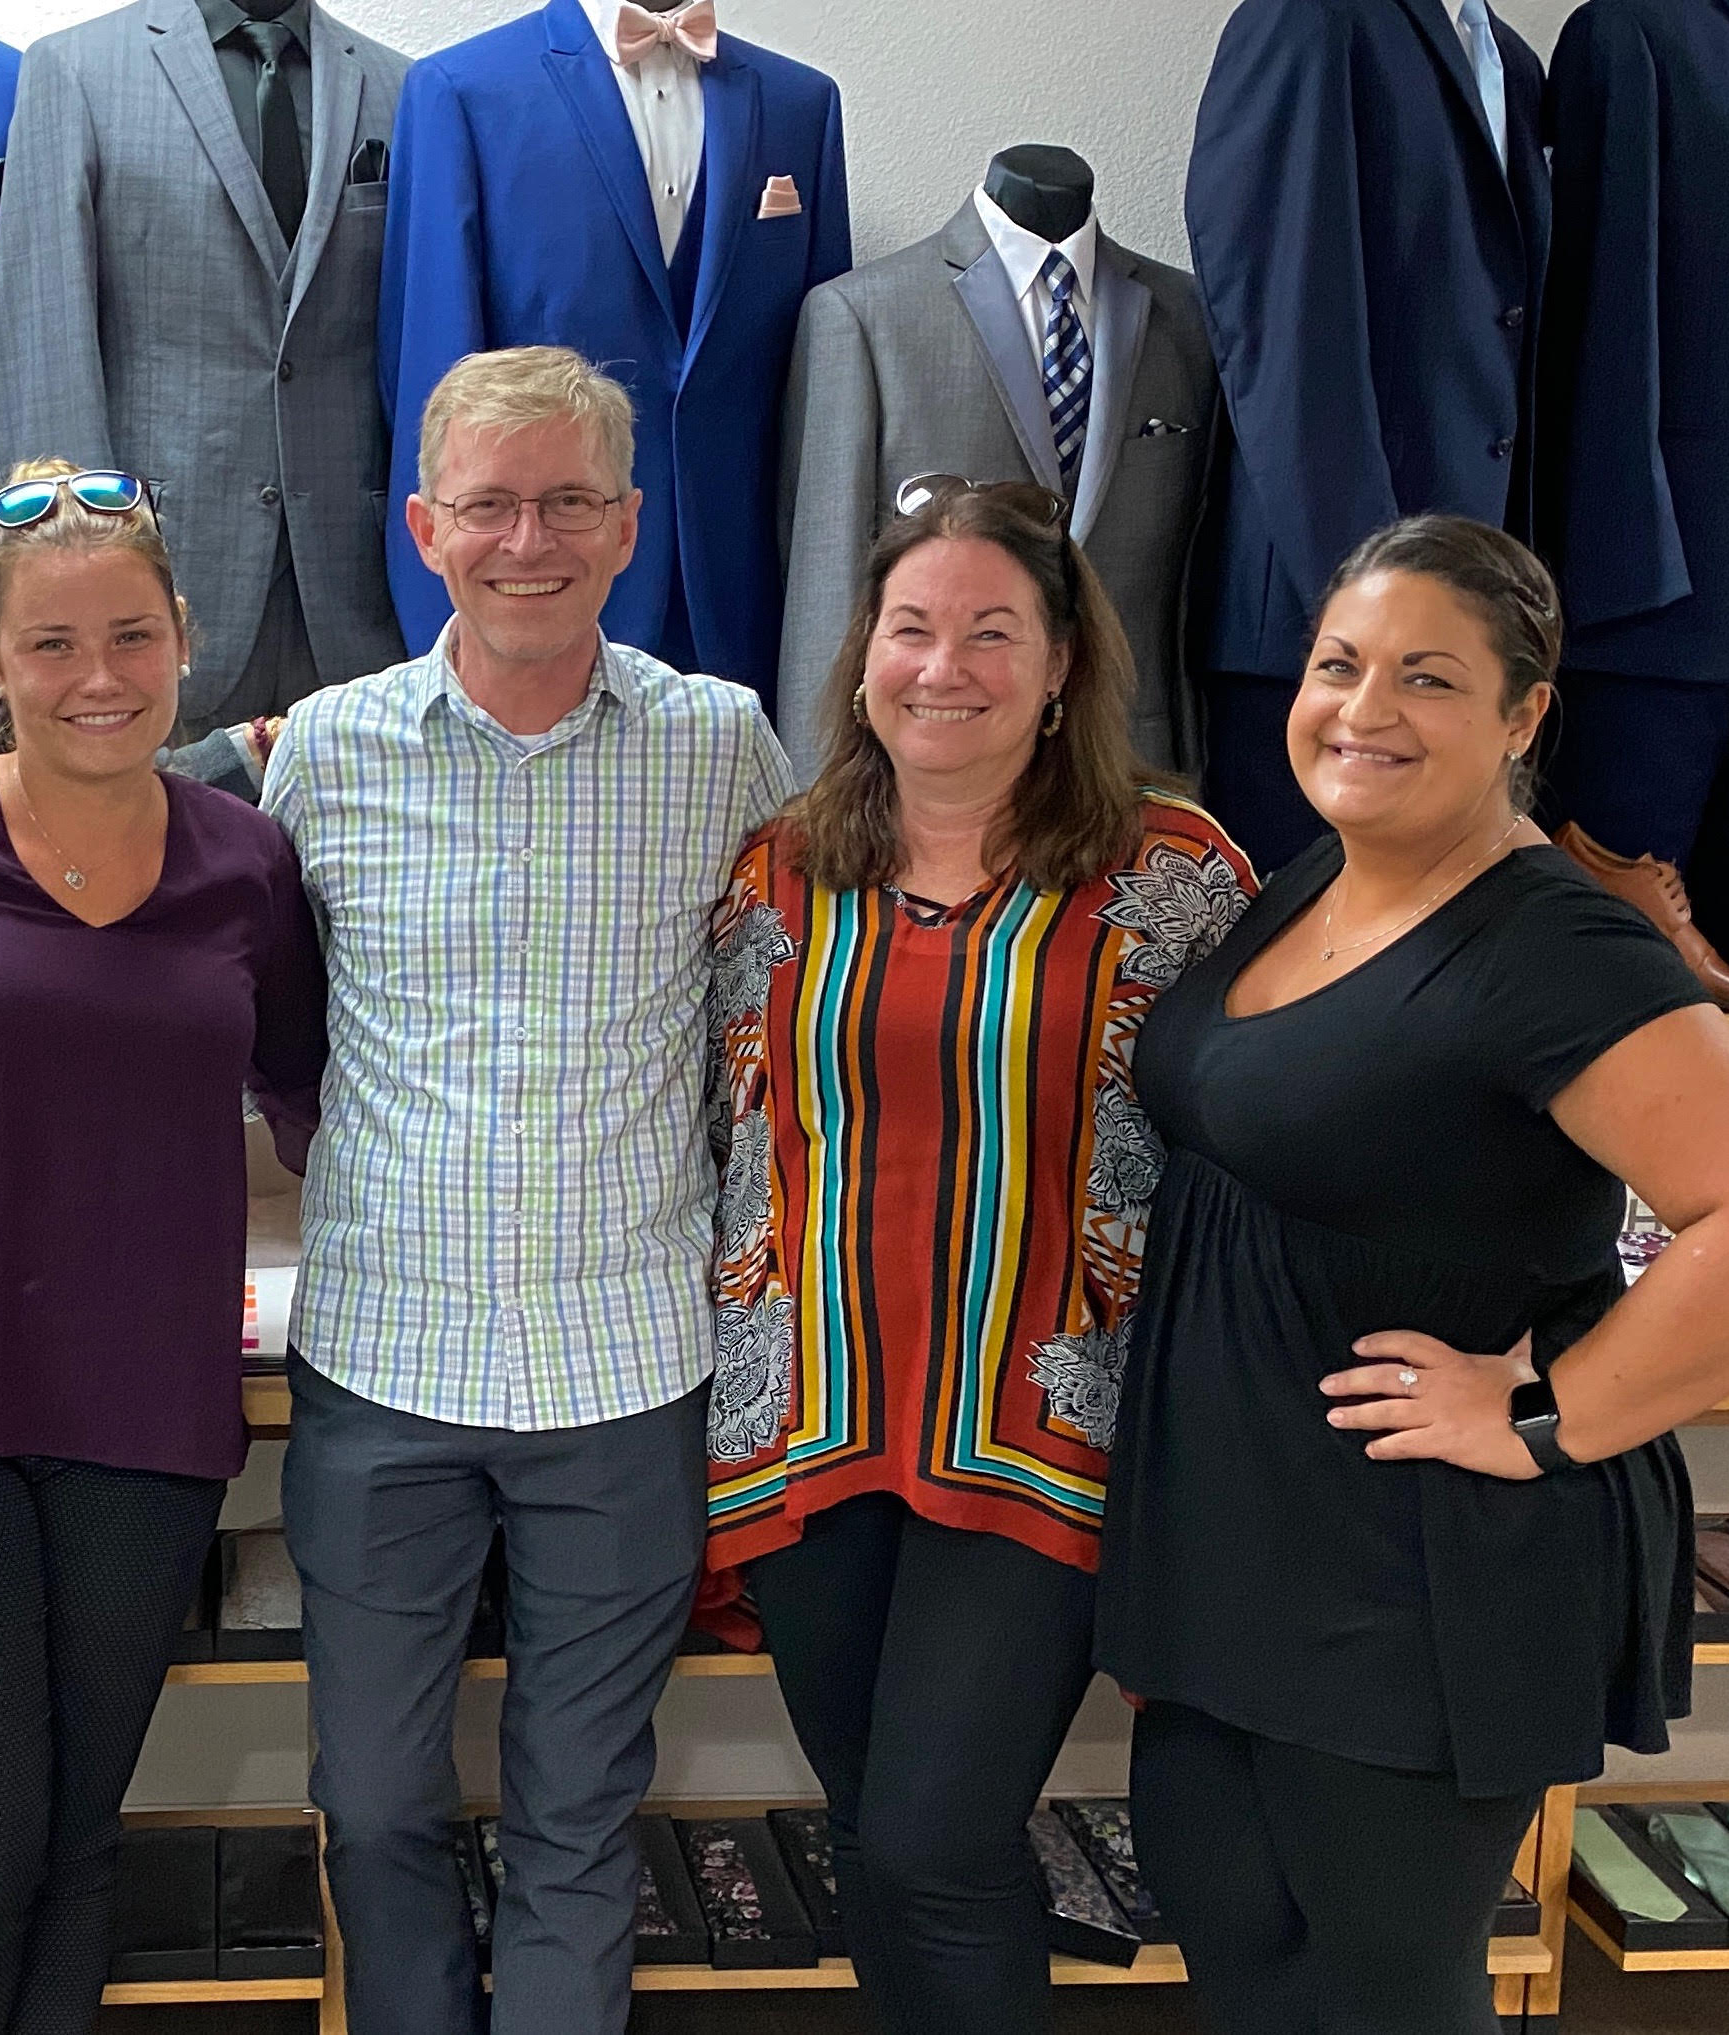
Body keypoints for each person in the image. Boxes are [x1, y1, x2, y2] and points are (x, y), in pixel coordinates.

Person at [1094, 516, 1729, 2035]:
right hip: (1239, 1535)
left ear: (1523, 715)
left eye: (1427, 678)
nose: (1364, 709)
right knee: (1239, 1948)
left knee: (1380, 1992)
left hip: (1412, 1568)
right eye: (1339, 665)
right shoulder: (1322, 875)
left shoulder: (1554, 945)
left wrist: (1545, 1415)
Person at [262, 345, 795, 2035]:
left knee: (580, 1811)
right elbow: (279, 1023)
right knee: (374, 1806)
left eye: (570, 501)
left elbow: (769, 1025)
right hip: (382, 1370)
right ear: (426, 528)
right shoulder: (325, 752)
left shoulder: (722, 745)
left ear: (629, 524)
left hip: (626, 1373)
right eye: (489, 505)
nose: (529, 540)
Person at [703, 477, 1255, 2034]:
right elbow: (720, 1129)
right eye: (912, 629)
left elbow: (1265, 1138)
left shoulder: (1173, 870)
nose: (943, 668)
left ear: (1064, 661)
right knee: (876, 1832)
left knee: (937, 1837)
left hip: (1053, 1427)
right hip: (808, 1420)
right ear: (863, 655)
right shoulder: (781, 868)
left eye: (992, 632)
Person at [0, 459, 326, 2029]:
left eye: (131, 636)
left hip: (144, 1416)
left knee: (78, 1850)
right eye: (52, 643)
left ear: (185, 639)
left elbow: (316, 1095)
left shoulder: (246, 862)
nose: (98, 677)